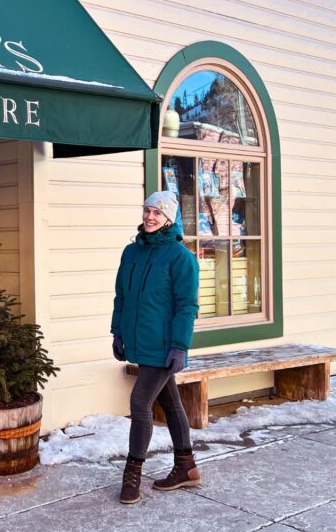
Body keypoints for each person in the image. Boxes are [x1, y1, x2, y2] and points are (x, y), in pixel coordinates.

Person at [110, 190, 201, 504]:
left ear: (169, 219)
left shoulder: (181, 258)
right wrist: (117, 331)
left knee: (139, 403)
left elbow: (186, 306)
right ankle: (186, 467)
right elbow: (122, 295)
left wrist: (179, 345)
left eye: (157, 213)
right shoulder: (131, 253)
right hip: (139, 341)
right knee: (171, 402)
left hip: (164, 346)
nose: (150, 217)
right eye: (147, 210)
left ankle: (132, 475)